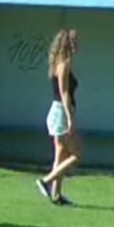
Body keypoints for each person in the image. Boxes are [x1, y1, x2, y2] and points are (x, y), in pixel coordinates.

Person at [37, 28, 80, 206]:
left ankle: (57, 195)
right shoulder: (63, 64)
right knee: (76, 155)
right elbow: (64, 92)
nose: (76, 46)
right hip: (60, 112)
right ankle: (46, 181)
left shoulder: (60, 63)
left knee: (60, 156)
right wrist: (69, 117)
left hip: (59, 112)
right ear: (67, 44)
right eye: (74, 43)